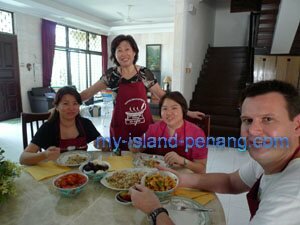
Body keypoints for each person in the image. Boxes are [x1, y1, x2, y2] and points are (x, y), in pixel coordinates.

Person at [129, 80, 300, 225]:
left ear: (297, 125)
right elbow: (230, 182)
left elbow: (202, 168)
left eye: (268, 119)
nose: (254, 131)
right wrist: (179, 179)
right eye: (247, 120)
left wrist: (155, 210)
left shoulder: (290, 199)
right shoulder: (267, 163)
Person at [80, 35, 204, 150]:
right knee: (122, 164)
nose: (124, 54)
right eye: (119, 50)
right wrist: (66, 102)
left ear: (134, 52)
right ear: (115, 54)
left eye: (127, 49)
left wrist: (187, 112)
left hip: (144, 128)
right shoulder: (111, 75)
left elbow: (163, 96)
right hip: (120, 128)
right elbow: (88, 93)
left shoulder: (144, 74)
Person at [20, 86, 108, 166]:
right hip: (55, 174)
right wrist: (44, 154)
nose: (71, 108)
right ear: (57, 107)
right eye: (66, 104)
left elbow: (103, 144)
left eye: (75, 103)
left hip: (82, 171)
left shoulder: (85, 124)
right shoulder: (48, 128)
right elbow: (23, 158)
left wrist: (103, 144)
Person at [129, 91, 207, 173]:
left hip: (184, 177)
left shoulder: (196, 133)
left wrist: (182, 161)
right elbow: (139, 147)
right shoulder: (155, 128)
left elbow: (201, 169)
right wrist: (134, 145)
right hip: (157, 174)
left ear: (183, 109)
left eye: (174, 108)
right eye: (165, 108)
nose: (168, 113)